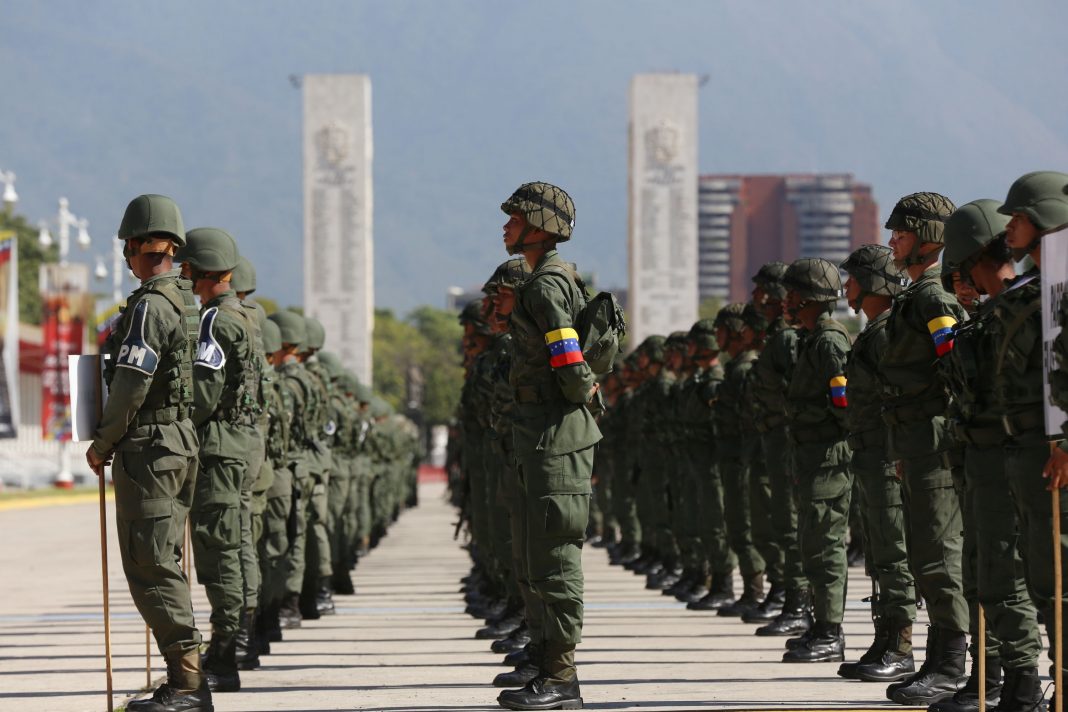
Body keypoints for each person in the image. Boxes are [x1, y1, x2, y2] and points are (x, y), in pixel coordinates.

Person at [86, 194, 212, 712]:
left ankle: (188, 686)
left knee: (152, 565)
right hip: (176, 443)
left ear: (138, 247)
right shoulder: (185, 302)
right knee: (164, 561)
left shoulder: (150, 307)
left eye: (128, 249)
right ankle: (186, 679)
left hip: (150, 450)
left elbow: (131, 384)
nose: (127, 258)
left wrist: (103, 442)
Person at [496, 181, 599, 711]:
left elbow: (567, 354)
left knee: (555, 555)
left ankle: (561, 678)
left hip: (556, 434)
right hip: (543, 430)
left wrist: (583, 392)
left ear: (539, 228)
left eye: (515, 219)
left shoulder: (544, 286)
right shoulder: (551, 279)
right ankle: (545, 661)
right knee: (538, 550)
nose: (506, 227)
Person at [877, 192, 969, 706]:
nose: (892, 241)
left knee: (940, 555)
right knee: (923, 555)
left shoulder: (934, 299)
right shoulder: (914, 297)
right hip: (913, 442)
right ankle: (937, 660)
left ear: (929, 238)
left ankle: (952, 665)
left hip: (934, 443)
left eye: (902, 233)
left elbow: (954, 370)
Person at [995, 172, 1068, 710]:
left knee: (1061, 578)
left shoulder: (1062, 290)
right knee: (1044, 578)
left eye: (1019, 217)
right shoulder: (1032, 290)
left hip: (1057, 454)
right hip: (1028, 450)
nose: (1010, 227)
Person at [183, 227, 259, 692]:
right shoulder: (246, 316)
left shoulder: (214, 320)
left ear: (203, 271)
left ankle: (225, 652)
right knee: (233, 543)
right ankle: (233, 640)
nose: (184, 275)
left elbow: (203, 395)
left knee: (218, 551)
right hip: (240, 442)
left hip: (218, 446)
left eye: (188, 268)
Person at [837, 245, 916, 682]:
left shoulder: (886, 332)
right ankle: (885, 638)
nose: (846, 286)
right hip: (870, 454)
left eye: (853, 278)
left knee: (893, 551)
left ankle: (901, 646)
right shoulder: (873, 332)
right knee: (879, 551)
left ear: (871, 283)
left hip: (887, 456)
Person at [779, 258, 853, 663]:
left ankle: (830, 631)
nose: (786, 301)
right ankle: (820, 624)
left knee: (826, 545)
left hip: (827, 458)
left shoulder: (829, 342)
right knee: (812, 542)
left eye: (792, 294)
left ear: (808, 299)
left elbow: (843, 404)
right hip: (811, 456)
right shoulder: (812, 340)